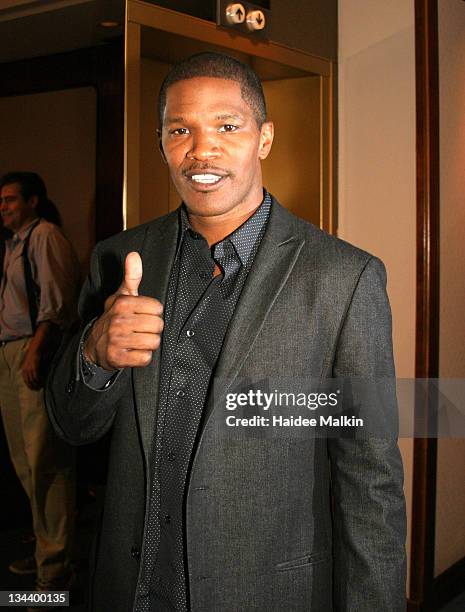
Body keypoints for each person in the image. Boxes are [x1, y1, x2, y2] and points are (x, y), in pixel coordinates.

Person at [46, 53, 406, 611]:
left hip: (267, 591)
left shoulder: (344, 277)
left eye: (227, 126)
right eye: (179, 130)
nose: (201, 150)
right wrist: (96, 355)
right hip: (132, 588)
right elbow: (72, 427)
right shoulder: (119, 259)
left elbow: (369, 477)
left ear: (264, 138)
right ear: (161, 141)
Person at [0, 172, 80, 598]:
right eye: (2, 201)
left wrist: (35, 349)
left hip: (35, 351)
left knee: (45, 460)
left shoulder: (44, 236)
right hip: (11, 351)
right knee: (24, 461)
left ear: (33, 201)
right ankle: (47, 548)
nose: (4, 207)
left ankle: (56, 571)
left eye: (11, 199)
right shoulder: (13, 244)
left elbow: (59, 302)